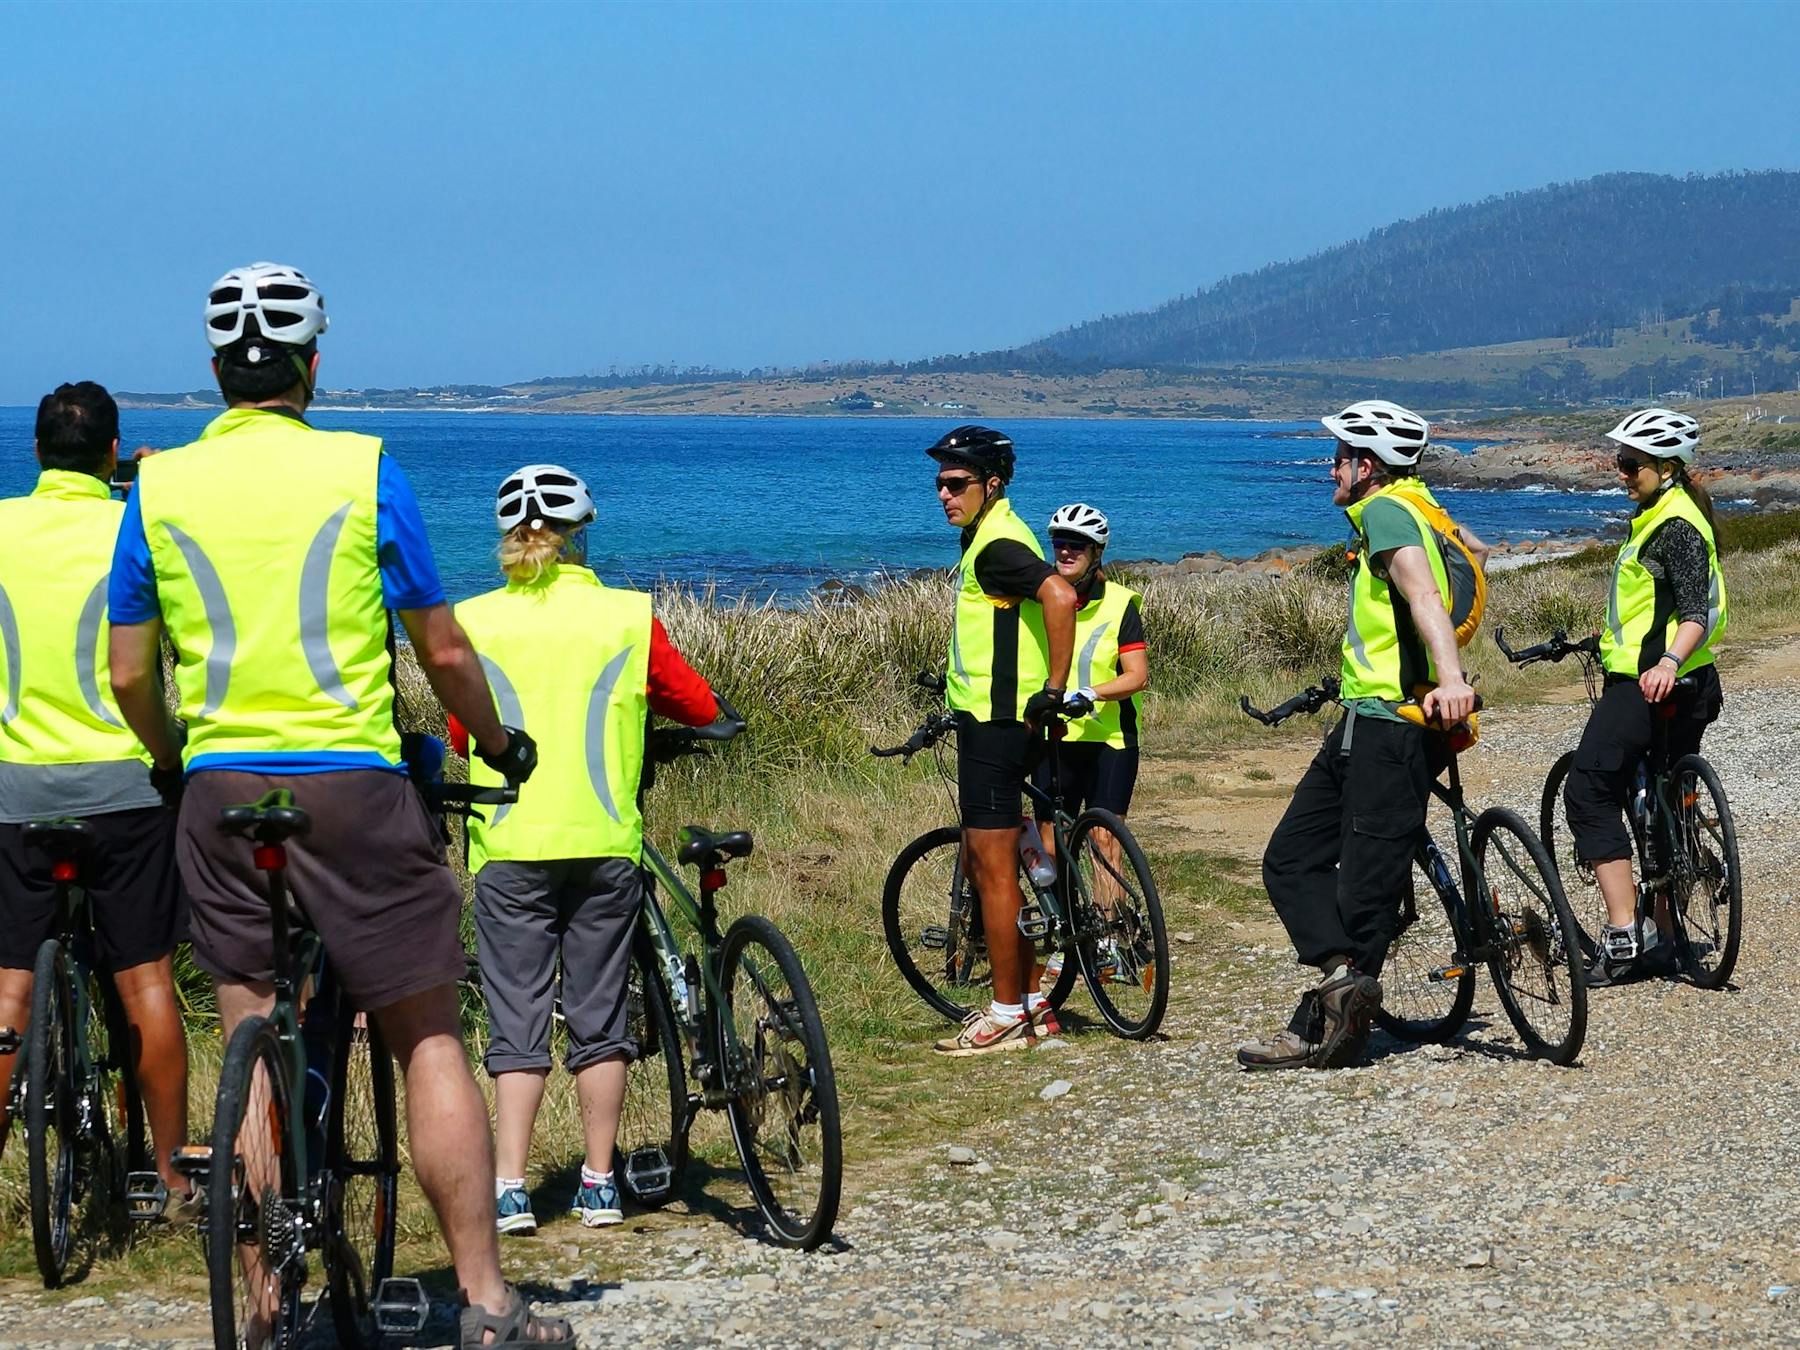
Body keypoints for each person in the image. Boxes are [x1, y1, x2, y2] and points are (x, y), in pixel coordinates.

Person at [107, 263, 573, 1349]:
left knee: (250, 1027)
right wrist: (500, 742)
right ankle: (485, 1303)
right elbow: (442, 649)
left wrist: (176, 760)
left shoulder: (159, 489)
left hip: (223, 791)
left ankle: (265, 1306)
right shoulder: (365, 470)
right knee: (426, 1033)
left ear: (216, 370)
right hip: (355, 785)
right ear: (312, 364)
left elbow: (129, 673)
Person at [448, 464, 718, 1235]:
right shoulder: (627, 615)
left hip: (510, 842)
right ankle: (599, 1184)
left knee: (518, 1021)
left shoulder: (474, 620)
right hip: (603, 841)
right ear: (580, 537)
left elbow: (463, 735)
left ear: (509, 538)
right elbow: (693, 700)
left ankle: (510, 1188)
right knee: (601, 1017)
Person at [1240, 400, 1484, 1072]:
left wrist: (1450, 677)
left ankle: (1322, 1029)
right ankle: (1342, 984)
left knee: (1365, 890)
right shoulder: (1418, 504)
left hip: (1393, 729)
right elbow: (1473, 554)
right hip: (1360, 722)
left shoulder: (1385, 513)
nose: (1332, 470)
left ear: (1366, 466)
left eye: (1339, 458)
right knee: (1289, 858)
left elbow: (1424, 596)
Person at [0, 382, 194, 1216]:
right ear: (114, 454)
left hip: (15, 786)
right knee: (145, 980)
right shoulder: (135, 528)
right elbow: (174, 648)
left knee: (9, 989)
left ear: (36, 452)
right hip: (124, 785)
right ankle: (170, 1176)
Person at [926, 426, 1078, 1056]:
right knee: (1002, 857)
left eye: (956, 483)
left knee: (991, 868)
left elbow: (1060, 594)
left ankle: (1005, 1012)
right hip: (1004, 720)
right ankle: (1036, 995)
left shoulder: (995, 547)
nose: (943, 494)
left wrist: (1055, 687)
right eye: (939, 483)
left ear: (991, 485)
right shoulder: (992, 534)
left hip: (997, 725)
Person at [1565, 408, 1726, 986]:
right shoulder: (1663, 512)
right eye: (1620, 461)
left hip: (1654, 683)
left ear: (1667, 467)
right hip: (1692, 684)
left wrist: (1666, 661)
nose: (1622, 472)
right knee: (1661, 797)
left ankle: (1624, 933)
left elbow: (1694, 613)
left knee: (1588, 789)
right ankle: (1664, 932)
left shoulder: (1675, 525)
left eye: (1632, 464)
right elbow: (1653, 605)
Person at [1033, 504, 1147, 986]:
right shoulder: (1039, 597)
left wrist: (1093, 693)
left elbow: (1136, 676)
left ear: (1096, 552)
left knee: (1104, 841)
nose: (1065, 551)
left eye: (1076, 545)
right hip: (1054, 739)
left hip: (1109, 739)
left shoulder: (1121, 604)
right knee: (1049, 844)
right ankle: (1065, 937)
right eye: (1058, 542)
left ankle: (1105, 941)